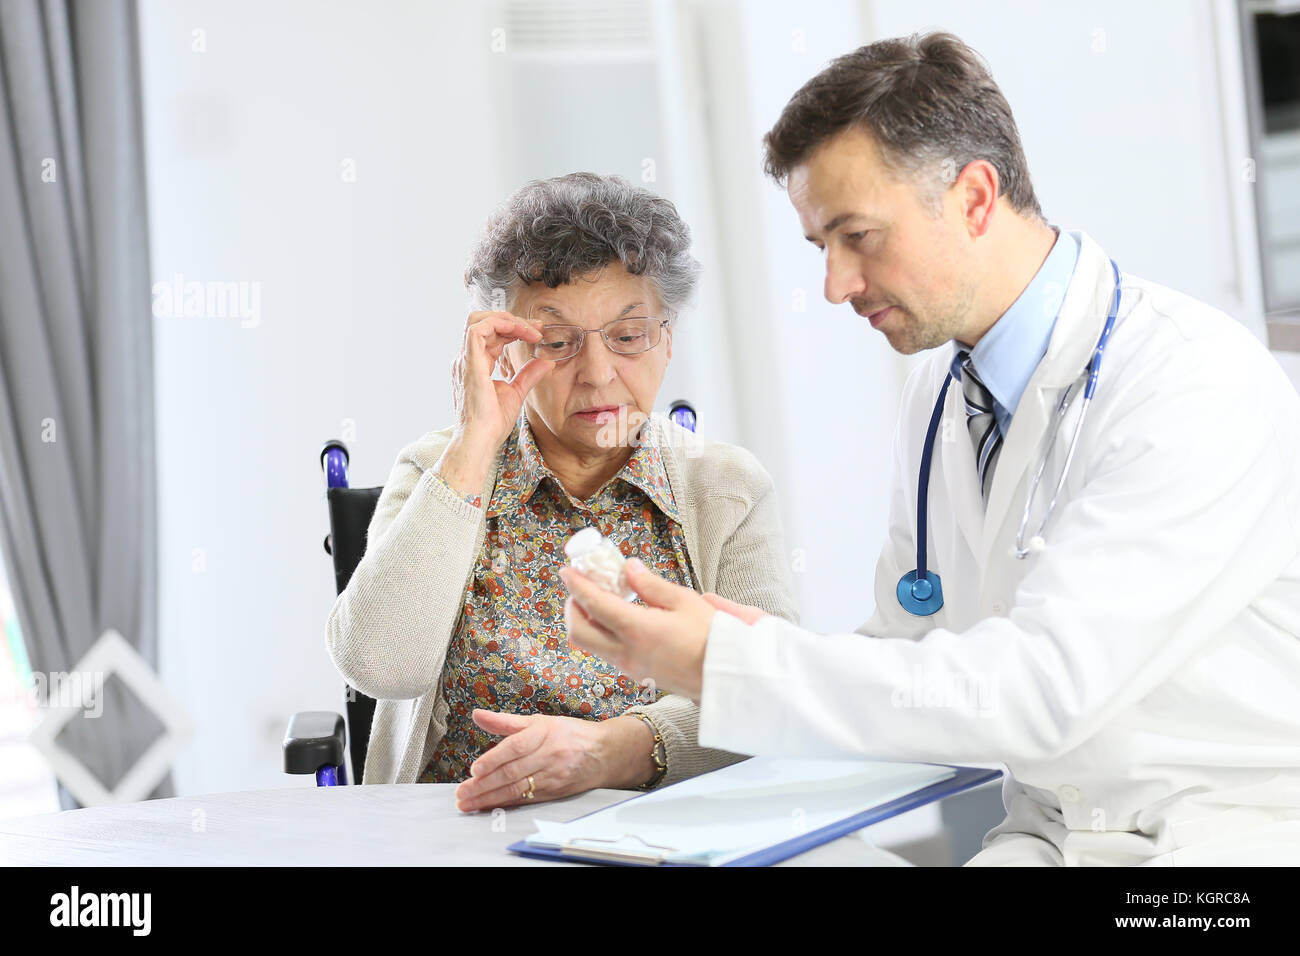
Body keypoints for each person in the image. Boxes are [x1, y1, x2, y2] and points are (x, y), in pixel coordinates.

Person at [560, 33, 1300, 865]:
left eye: (859, 237)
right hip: (1051, 836)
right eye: (820, 248)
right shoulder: (944, 392)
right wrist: (704, 682)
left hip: (1223, 845)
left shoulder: (1190, 384)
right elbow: (911, 661)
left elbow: (1043, 689)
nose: (835, 285)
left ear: (975, 198)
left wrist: (740, 665)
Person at [326, 172, 796, 811]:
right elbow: (380, 666)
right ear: (504, 347)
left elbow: (774, 699)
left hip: (662, 834)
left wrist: (613, 750)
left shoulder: (728, 489)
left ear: (668, 334)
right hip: (455, 835)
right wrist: (473, 442)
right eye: (555, 343)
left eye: (628, 337)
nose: (599, 375)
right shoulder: (436, 468)